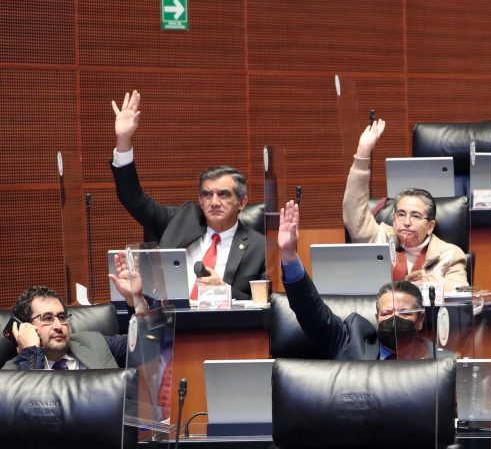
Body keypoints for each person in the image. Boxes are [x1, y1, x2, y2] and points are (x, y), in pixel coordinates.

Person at [110, 91, 268, 301]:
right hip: (174, 316)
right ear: (200, 200)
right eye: (207, 195)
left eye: (223, 195)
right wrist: (123, 140)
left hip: (227, 321)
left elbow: (266, 303)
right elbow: (132, 197)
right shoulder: (179, 219)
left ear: (242, 202)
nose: (214, 202)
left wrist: (225, 291)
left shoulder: (259, 247)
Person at [278, 199, 447, 361]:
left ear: (420, 320)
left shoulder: (440, 360)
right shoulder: (350, 343)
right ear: (376, 318)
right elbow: (310, 310)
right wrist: (289, 255)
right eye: (386, 313)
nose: (395, 319)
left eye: (405, 313)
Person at [342, 120, 468, 290]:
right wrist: (363, 152)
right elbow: (354, 212)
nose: (406, 222)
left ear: (430, 226)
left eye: (415, 216)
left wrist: (432, 281)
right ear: (393, 219)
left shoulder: (449, 255)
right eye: (401, 214)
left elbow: (461, 293)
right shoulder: (380, 240)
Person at [4, 256, 143, 370]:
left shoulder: (94, 343)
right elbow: (32, 395)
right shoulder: (9, 374)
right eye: (47, 318)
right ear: (25, 327)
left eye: (62, 317)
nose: (59, 326)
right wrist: (31, 354)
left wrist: (137, 300)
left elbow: (145, 345)